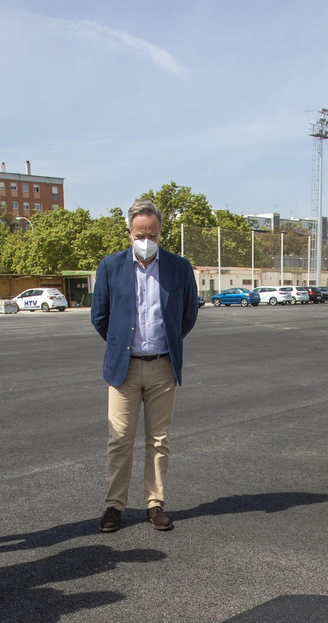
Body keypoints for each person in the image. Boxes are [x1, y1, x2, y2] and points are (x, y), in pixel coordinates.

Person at [91, 198, 200, 533]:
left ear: (160, 231)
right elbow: (100, 317)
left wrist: (164, 342)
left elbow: (187, 315)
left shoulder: (179, 267)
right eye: (140, 233)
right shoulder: (110, 267)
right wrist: (122, 346)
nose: (147, 240)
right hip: (123, 368)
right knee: (120, 438)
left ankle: (155, 504)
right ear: (128, 232)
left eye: (152, 233)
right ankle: (114, 506)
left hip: (162, 367)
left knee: (158, 439)